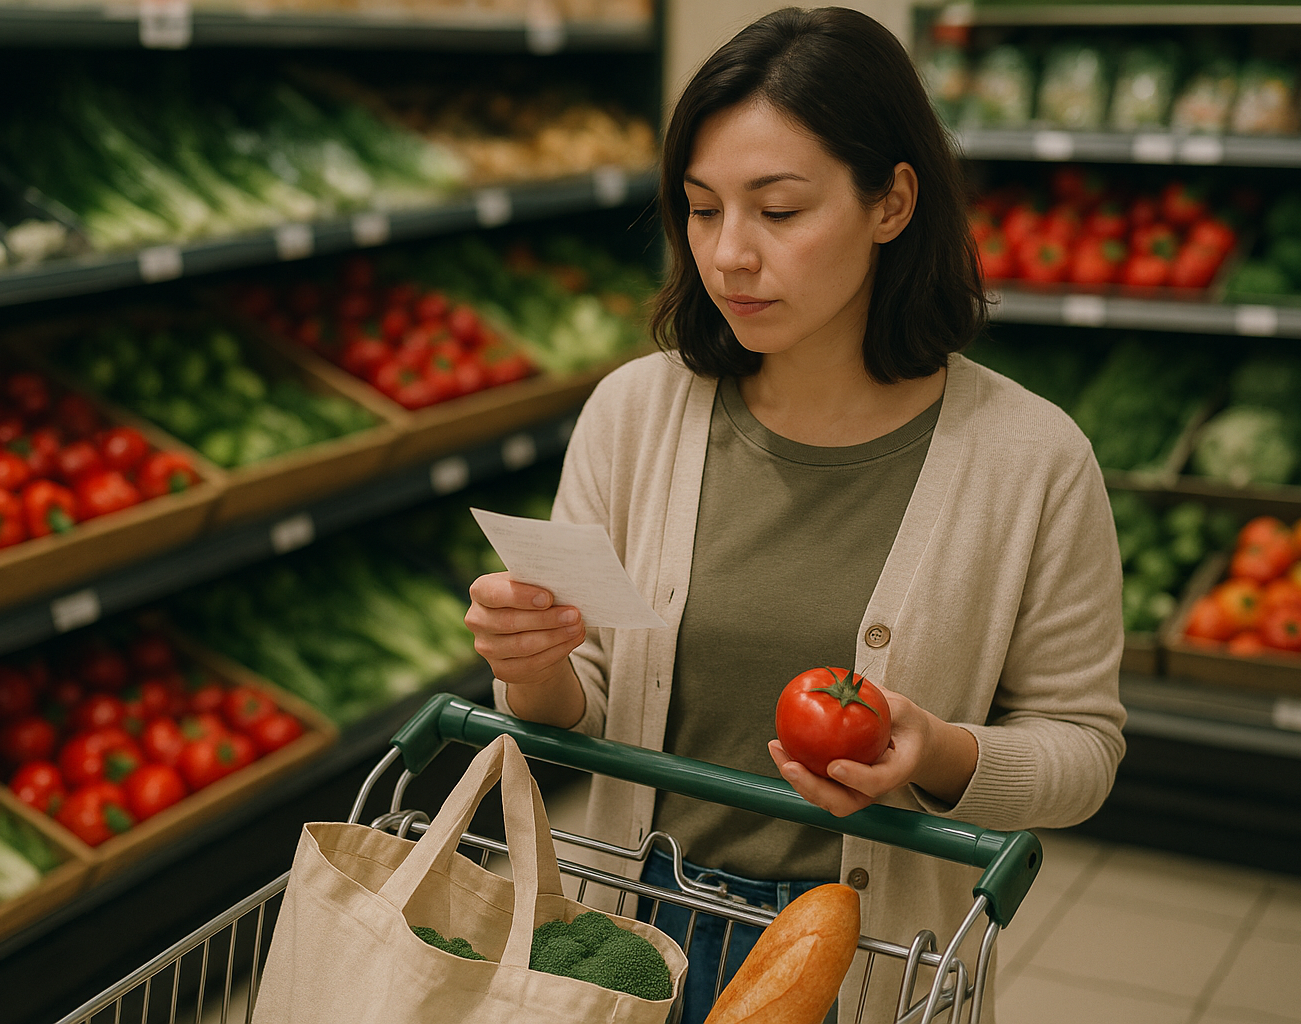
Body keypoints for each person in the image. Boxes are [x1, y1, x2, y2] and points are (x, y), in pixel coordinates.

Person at [464, 7, 1127, 1022]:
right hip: (633, 932)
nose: (729, 255)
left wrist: (941, 752)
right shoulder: (634, 413)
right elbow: (582, 707)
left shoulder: (1032, 461)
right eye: (701, 209)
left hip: (868, 962)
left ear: (892, 202)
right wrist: (536, 663)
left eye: (778, 211)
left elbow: (1082, 750)